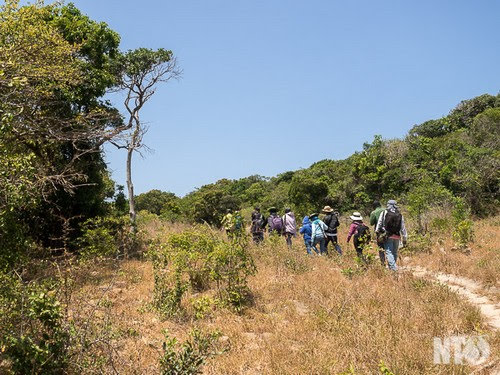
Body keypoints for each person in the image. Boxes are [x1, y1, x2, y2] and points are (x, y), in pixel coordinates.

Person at [375, 200, 408, 271]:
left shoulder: (384, 212)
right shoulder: (399, 214)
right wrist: (405, 238)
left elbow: (379, 223)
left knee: (388, 252)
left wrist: (377, 232)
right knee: (394, 252)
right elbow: (403, 227)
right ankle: (392, 268)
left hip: (387, 235)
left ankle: (394, 268)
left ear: (388, 205)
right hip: (397, 235)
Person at [370, 200, 386, 265]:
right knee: (388, 247)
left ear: (374, 206)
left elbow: (371, 223)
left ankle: (383, 262)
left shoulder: (374, 212)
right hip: (388, 231)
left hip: (379, 232)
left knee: (381, 247)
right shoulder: (385, 210)